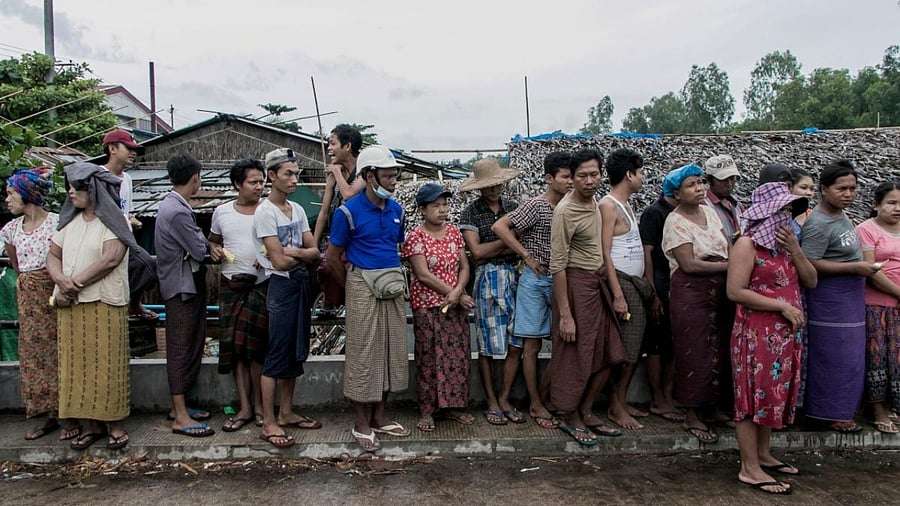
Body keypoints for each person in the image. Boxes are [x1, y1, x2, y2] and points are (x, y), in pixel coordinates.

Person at [728, 182, 817, 495]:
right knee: (752, 397)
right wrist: (781, 305)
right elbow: (735, 291)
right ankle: (748, 468)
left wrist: (796, 250)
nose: (787, 217)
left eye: (789, 210)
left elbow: (811, 280)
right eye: (781, 210)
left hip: (783, 334)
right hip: (756, 333)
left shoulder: (787, 245)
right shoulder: (748, 245)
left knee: (772, 393)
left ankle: (763, 455)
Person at [326, 145, 411, 452]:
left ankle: (379, 416)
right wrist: (351, 288)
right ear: (368, 176)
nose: (393, 181)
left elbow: (396, 247)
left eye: (394, 176)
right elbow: (332, 258)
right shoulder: (347, 213)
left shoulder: (397, 211)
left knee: (392, 350)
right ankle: (360, 421)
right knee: (363, 354)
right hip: (361, 283)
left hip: (390, 283)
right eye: (387, 176)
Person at [46, 162, 135, 451]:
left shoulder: (114, 221)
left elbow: (110, 258)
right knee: (78, 367)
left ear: (94, 189)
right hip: (72, 303)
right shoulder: (69, 221)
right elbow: (52, 256)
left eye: (78, 187)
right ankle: (92, 425)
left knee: (107, 364)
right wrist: (61, 280)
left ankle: (114, 424)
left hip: (104, 303)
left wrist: (73, 283)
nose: (71, 192)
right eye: (70, 187)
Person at [801, 160, 888, 432]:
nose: (848, 194)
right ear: (824, 189)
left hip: (850, 299)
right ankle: (826, 413)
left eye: (853, 188)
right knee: (832, 356)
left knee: (850, 357)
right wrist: (855, 267)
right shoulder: (818, 223)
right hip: (829, 300)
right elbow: (808, 262)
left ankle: (843, 409)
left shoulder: (842, 216)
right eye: (841, 188)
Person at [549, 148, 625, 446]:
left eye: (595, 174)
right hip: (575, 285)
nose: (590, 181)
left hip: (598, 284)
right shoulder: (565, 211)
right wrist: (566, 315)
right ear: (573, 178)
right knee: (575, 355)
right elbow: (558, 265)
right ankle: (569, 415)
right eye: (582, 176)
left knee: (609, 353)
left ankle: (586, 409)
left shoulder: (598, 204)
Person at [492, 151, 572, 430]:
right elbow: (500, 226)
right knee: (530, 345)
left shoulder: (574, 206)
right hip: (536, 280)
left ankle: (550, 396)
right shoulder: (537, 207)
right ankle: (535, 402)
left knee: (565, 341)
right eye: (565, 176)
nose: (571, 181)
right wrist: (525, 255)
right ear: (550, 179)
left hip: (563, 279)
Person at [1, 168, 77, 441]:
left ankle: (69, 415)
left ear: (26, 195)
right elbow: (17, 266)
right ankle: (46, 415)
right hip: (29, 303)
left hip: (56, 296)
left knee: (63, 352)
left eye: (11, 194)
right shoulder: (11, 230)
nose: (7, 200)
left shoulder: (58, 224)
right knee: (34, 357)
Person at [253, 148, 322, 448]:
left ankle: (287, 412)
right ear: (272, 176)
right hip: (280, 286)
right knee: (277, 354)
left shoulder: (296, 209)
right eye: (288, 174)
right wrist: (300, 255)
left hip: (300, 285)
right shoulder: (265, 212)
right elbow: (278, 263)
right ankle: (268, 422)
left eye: (296, 174)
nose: (294, 179)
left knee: (296, 351)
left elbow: (315, 251)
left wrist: (292, 252)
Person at [662, 163, 734, 443]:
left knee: (721, 346)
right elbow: (689, 264)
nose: (699, 188)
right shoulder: (675, 221)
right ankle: (692, 413)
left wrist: (727, 265)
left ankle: (713, 407)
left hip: (719, 289)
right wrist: (729, 267)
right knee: (694, 350)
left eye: (700, 182)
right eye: (691, 185)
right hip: (691, 292)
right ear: (676, 193)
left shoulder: (710, 213)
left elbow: (726, 245)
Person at [403, 183, 476, 432]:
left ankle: (454, 407)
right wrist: (453, 293)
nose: (442, 210)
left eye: (445, 205)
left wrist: (457, 292)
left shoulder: (454, 232)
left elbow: (464, 266)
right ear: (422, 209)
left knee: (457, 357)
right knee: (429, 358)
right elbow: (422, 274)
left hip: (454, 305)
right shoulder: (415, 237)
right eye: (436, 206)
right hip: (428, 306)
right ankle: (427, 410)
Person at [155, 154, 214, 438]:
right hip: (182, 286)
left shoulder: (172, 205)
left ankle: (180, 407)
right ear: (195, 178)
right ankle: (179, 414)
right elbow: (200, 248)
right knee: (180, 347)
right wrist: (207, 246)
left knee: (190, 343)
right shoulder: (177, 210)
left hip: (183, 283)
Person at [458, 158, 521, 425]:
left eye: (497, 184)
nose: (494, 188)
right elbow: (477, 252)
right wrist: (507, 241)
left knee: (516, 339)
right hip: (486, 278)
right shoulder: (471, 213)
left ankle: (505, 397)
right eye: (489, 185)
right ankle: (491, 400)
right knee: (487, 344)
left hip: (513, 276)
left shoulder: (514, 207)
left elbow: (488, 249)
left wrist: (493, 246)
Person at [208, 159, 269, 432]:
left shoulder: (268, 211)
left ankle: (259, 407)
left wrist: (266, 254)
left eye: (261, 181)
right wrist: (214, 250)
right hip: (231, 285)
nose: (259, 187)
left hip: (261, 286)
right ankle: (244, 407)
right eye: (253, 182)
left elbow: (282, 242)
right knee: (235, 350)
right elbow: (213, 240)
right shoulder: (221, 212)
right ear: (237, 184)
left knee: (257, 351)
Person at [599, 148, 655, 430]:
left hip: (635, 282)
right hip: (621, 281)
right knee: (627, 347)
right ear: (629, 174)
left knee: (636, 346)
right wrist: (618, 294)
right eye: (640, 172)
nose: (642, 178)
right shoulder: (608, 206)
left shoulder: (626, 204)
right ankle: (614, 404)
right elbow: (605, 253)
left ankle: (621, 399)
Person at [638, 167, 685, 424]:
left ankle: (668, 394)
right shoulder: (655, 213)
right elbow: (647, 253)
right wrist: (652, 292)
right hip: (659, 283)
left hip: (677, 286)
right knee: (656, 345)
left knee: (673, 344)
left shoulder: (682, 214)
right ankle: (658, 398)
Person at [855, 182, 900, 434]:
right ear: (876, 204)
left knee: (897, 359)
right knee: (877, 357)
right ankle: (876, 408)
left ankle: (894, 405)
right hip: (877, 304)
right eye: (892, 203)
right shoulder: (866, 230)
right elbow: (871, 270)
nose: (897, 209)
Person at [100, 129, 158, 321]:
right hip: (102, 238)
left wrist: (131, 220)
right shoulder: (98, 175)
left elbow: (127, 211)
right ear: (112, 149)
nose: (133, 153)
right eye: (129, 148)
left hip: (124, 237)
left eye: (135, 149)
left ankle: (133, 303)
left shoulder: (127, 179)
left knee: (147, 266)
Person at [313, 124, 364, 248]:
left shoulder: (364, 171)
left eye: (333, 144)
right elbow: (323, 213)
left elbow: (348, 194)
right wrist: (314, 245)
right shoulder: (334, 176)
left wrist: (336, 172)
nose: (329, 148)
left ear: (347, 146)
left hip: (358, 239)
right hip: (336, 237)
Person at [703, 154, 744, 244]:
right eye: (723, 179)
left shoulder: (738, 206)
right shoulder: (703, 205)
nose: (729, 184)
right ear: (709, 180)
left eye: (732, 178)